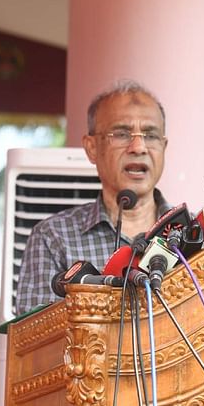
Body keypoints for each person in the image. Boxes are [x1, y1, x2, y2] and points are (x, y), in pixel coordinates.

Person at [16, 80, 171, 314]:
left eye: (150, 136)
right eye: (121, 134)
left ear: (164, 147)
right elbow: (35, 342)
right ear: (91, 148)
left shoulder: (195, 234)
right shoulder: (53, 237)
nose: (138, 147)